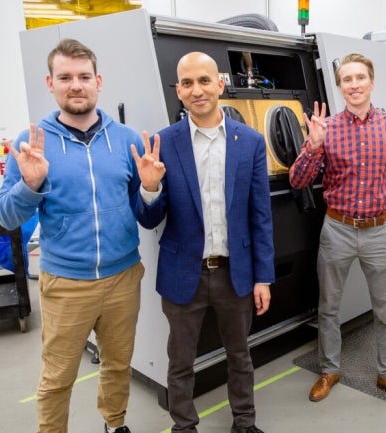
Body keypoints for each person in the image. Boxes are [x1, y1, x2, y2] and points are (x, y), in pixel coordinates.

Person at [0, 39, 163, 433]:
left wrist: (151, 190)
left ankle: (114, 423)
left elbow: (147, 216)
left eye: (84, 77)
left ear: (98, 81)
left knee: (118, 365)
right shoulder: (32, 141)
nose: (76, 85)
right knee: (58, 377)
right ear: (50, 83)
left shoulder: (125, 140)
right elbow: (6, 216)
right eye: (65, 77)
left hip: (123, 278)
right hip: (66, 284)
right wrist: (30, 185)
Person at [134, 52, 274, 433]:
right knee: (180, 361)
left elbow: (260, 216)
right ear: (178, 90)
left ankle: (244, 423)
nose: (197, 90)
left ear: (220, 84)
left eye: (204, 81)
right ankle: (184, 427)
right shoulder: (164, 142)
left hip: (236, 273)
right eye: (188, 83)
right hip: (184, 274)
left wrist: (263, 277)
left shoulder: (251, 143)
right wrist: (150, 186)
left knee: (240, 355)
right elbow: (149, 219)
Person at [289, 53, 386, 406]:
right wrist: (314, 147)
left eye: (360, 78)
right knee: (328, 307)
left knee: (385, 310)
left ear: (371, 83)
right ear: (340, 86)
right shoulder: (326, 128)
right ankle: (329, 370)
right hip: (337, 230)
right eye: (347, 79)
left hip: (379, 232)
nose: (354, 84)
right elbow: (297, 180)